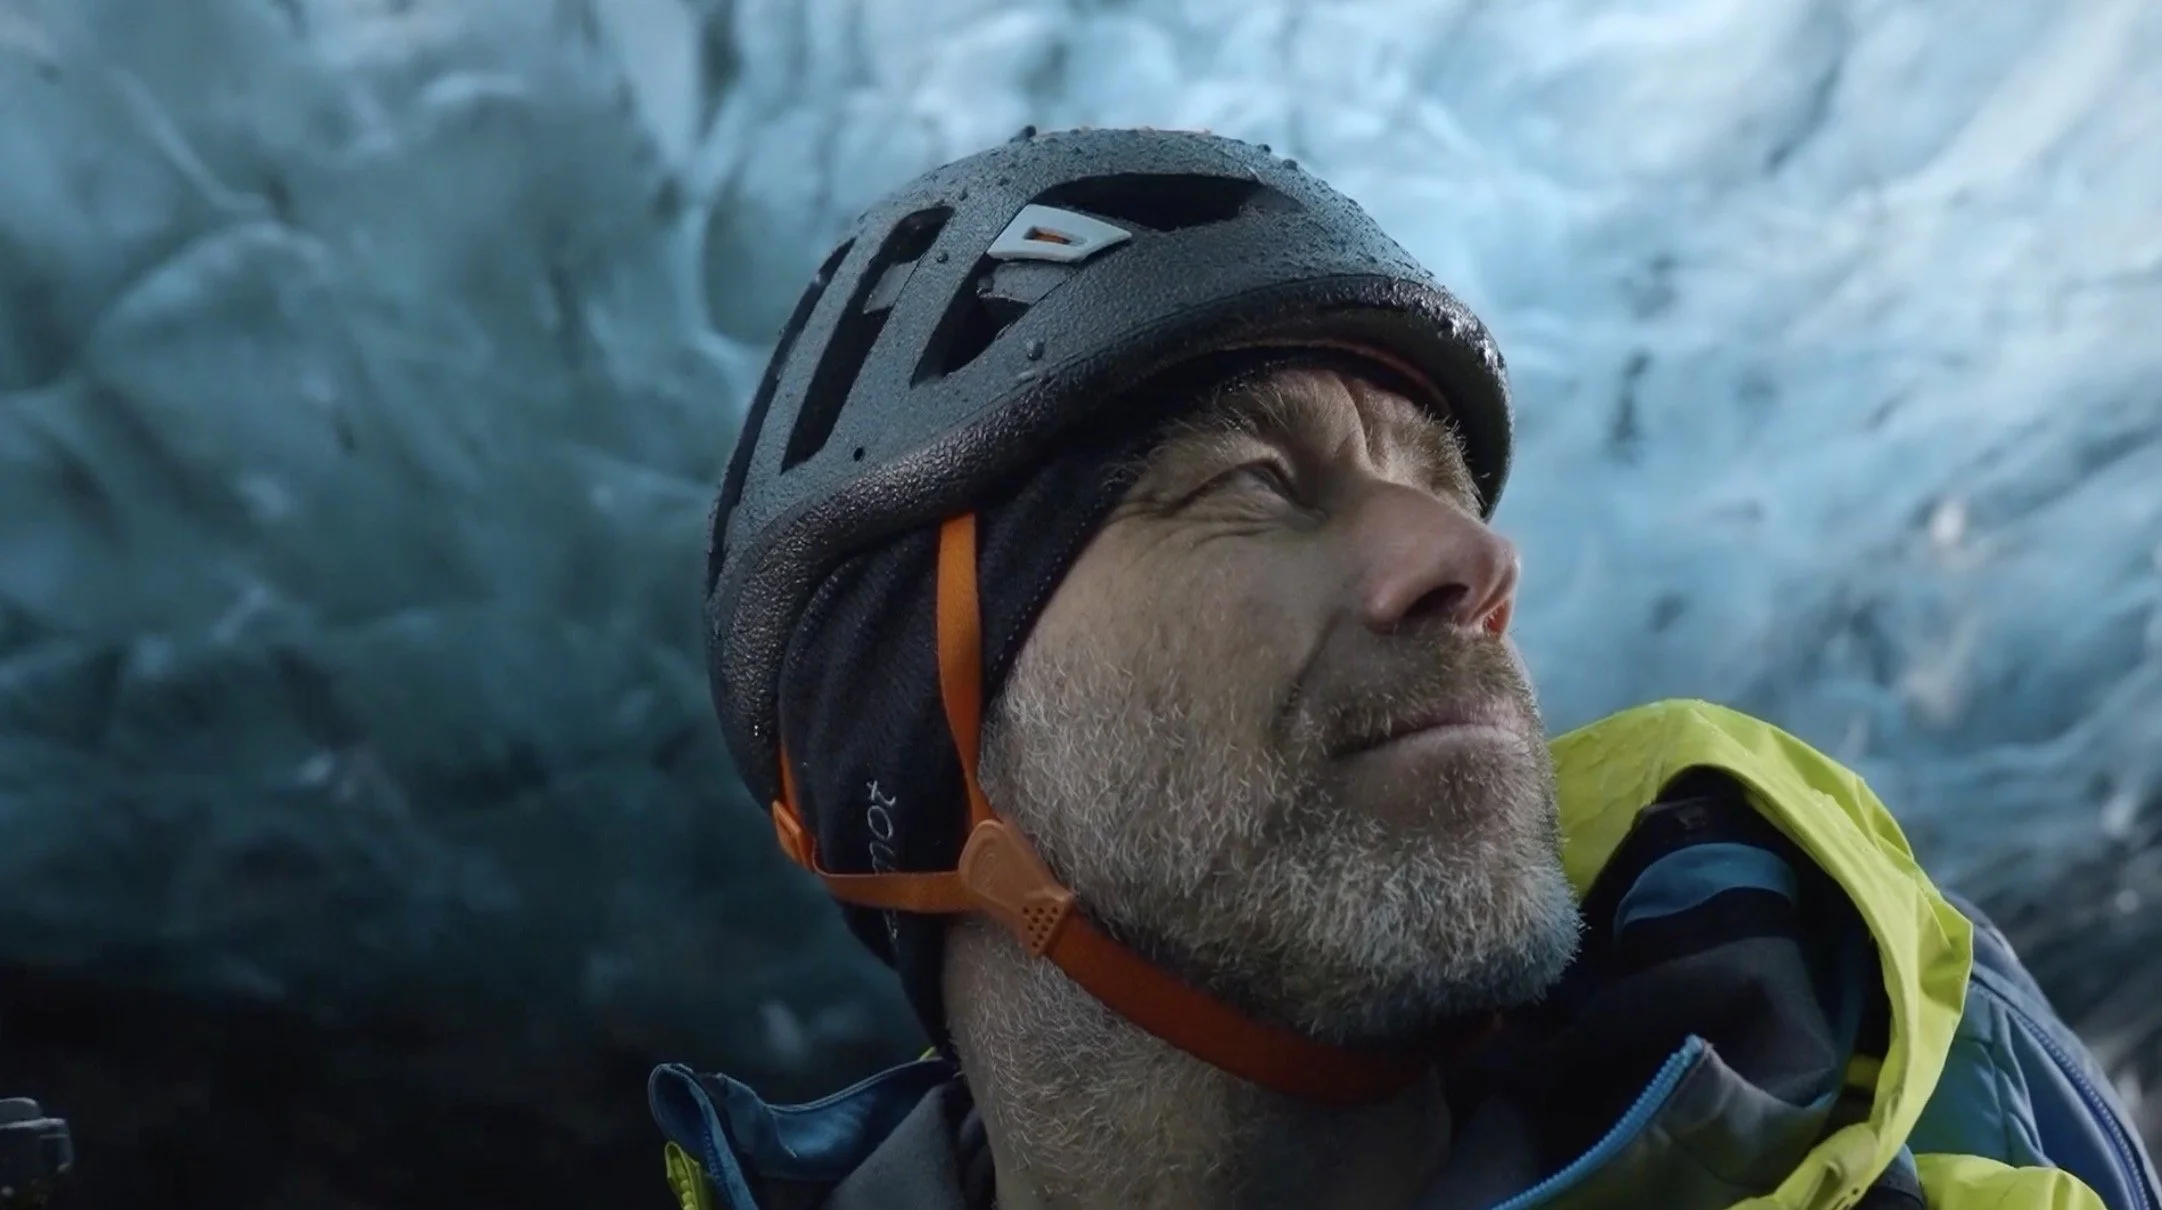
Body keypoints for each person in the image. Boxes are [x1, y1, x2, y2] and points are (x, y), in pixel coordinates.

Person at [650, 126, 2161, 1210]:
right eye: (1251, 478)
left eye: (1444, 485)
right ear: (914, 729)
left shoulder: (1971, 1134)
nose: (1473, 563)